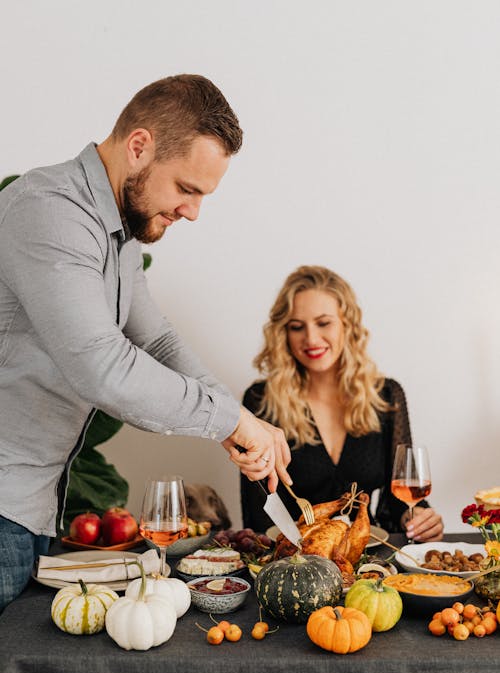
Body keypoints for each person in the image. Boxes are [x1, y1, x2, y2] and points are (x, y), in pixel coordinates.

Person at [0, 74, 291, 611]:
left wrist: (232, 419)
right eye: (186, 188)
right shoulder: (50, 212)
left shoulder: (118, 231)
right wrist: (230, 419)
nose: (193, 211)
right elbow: (101, 367)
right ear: (139, 147)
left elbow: (154, 340)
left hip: (31, 508)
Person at [241, 265, 444, 542]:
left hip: (371, 554)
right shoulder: (260, 402)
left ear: (347, 325)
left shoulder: (386, 396)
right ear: (283, 334)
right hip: (293, 559)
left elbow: (400, 500)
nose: (311, 338)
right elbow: (258, 514)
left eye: (324, 323)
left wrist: (417, 518)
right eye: (297, 327)